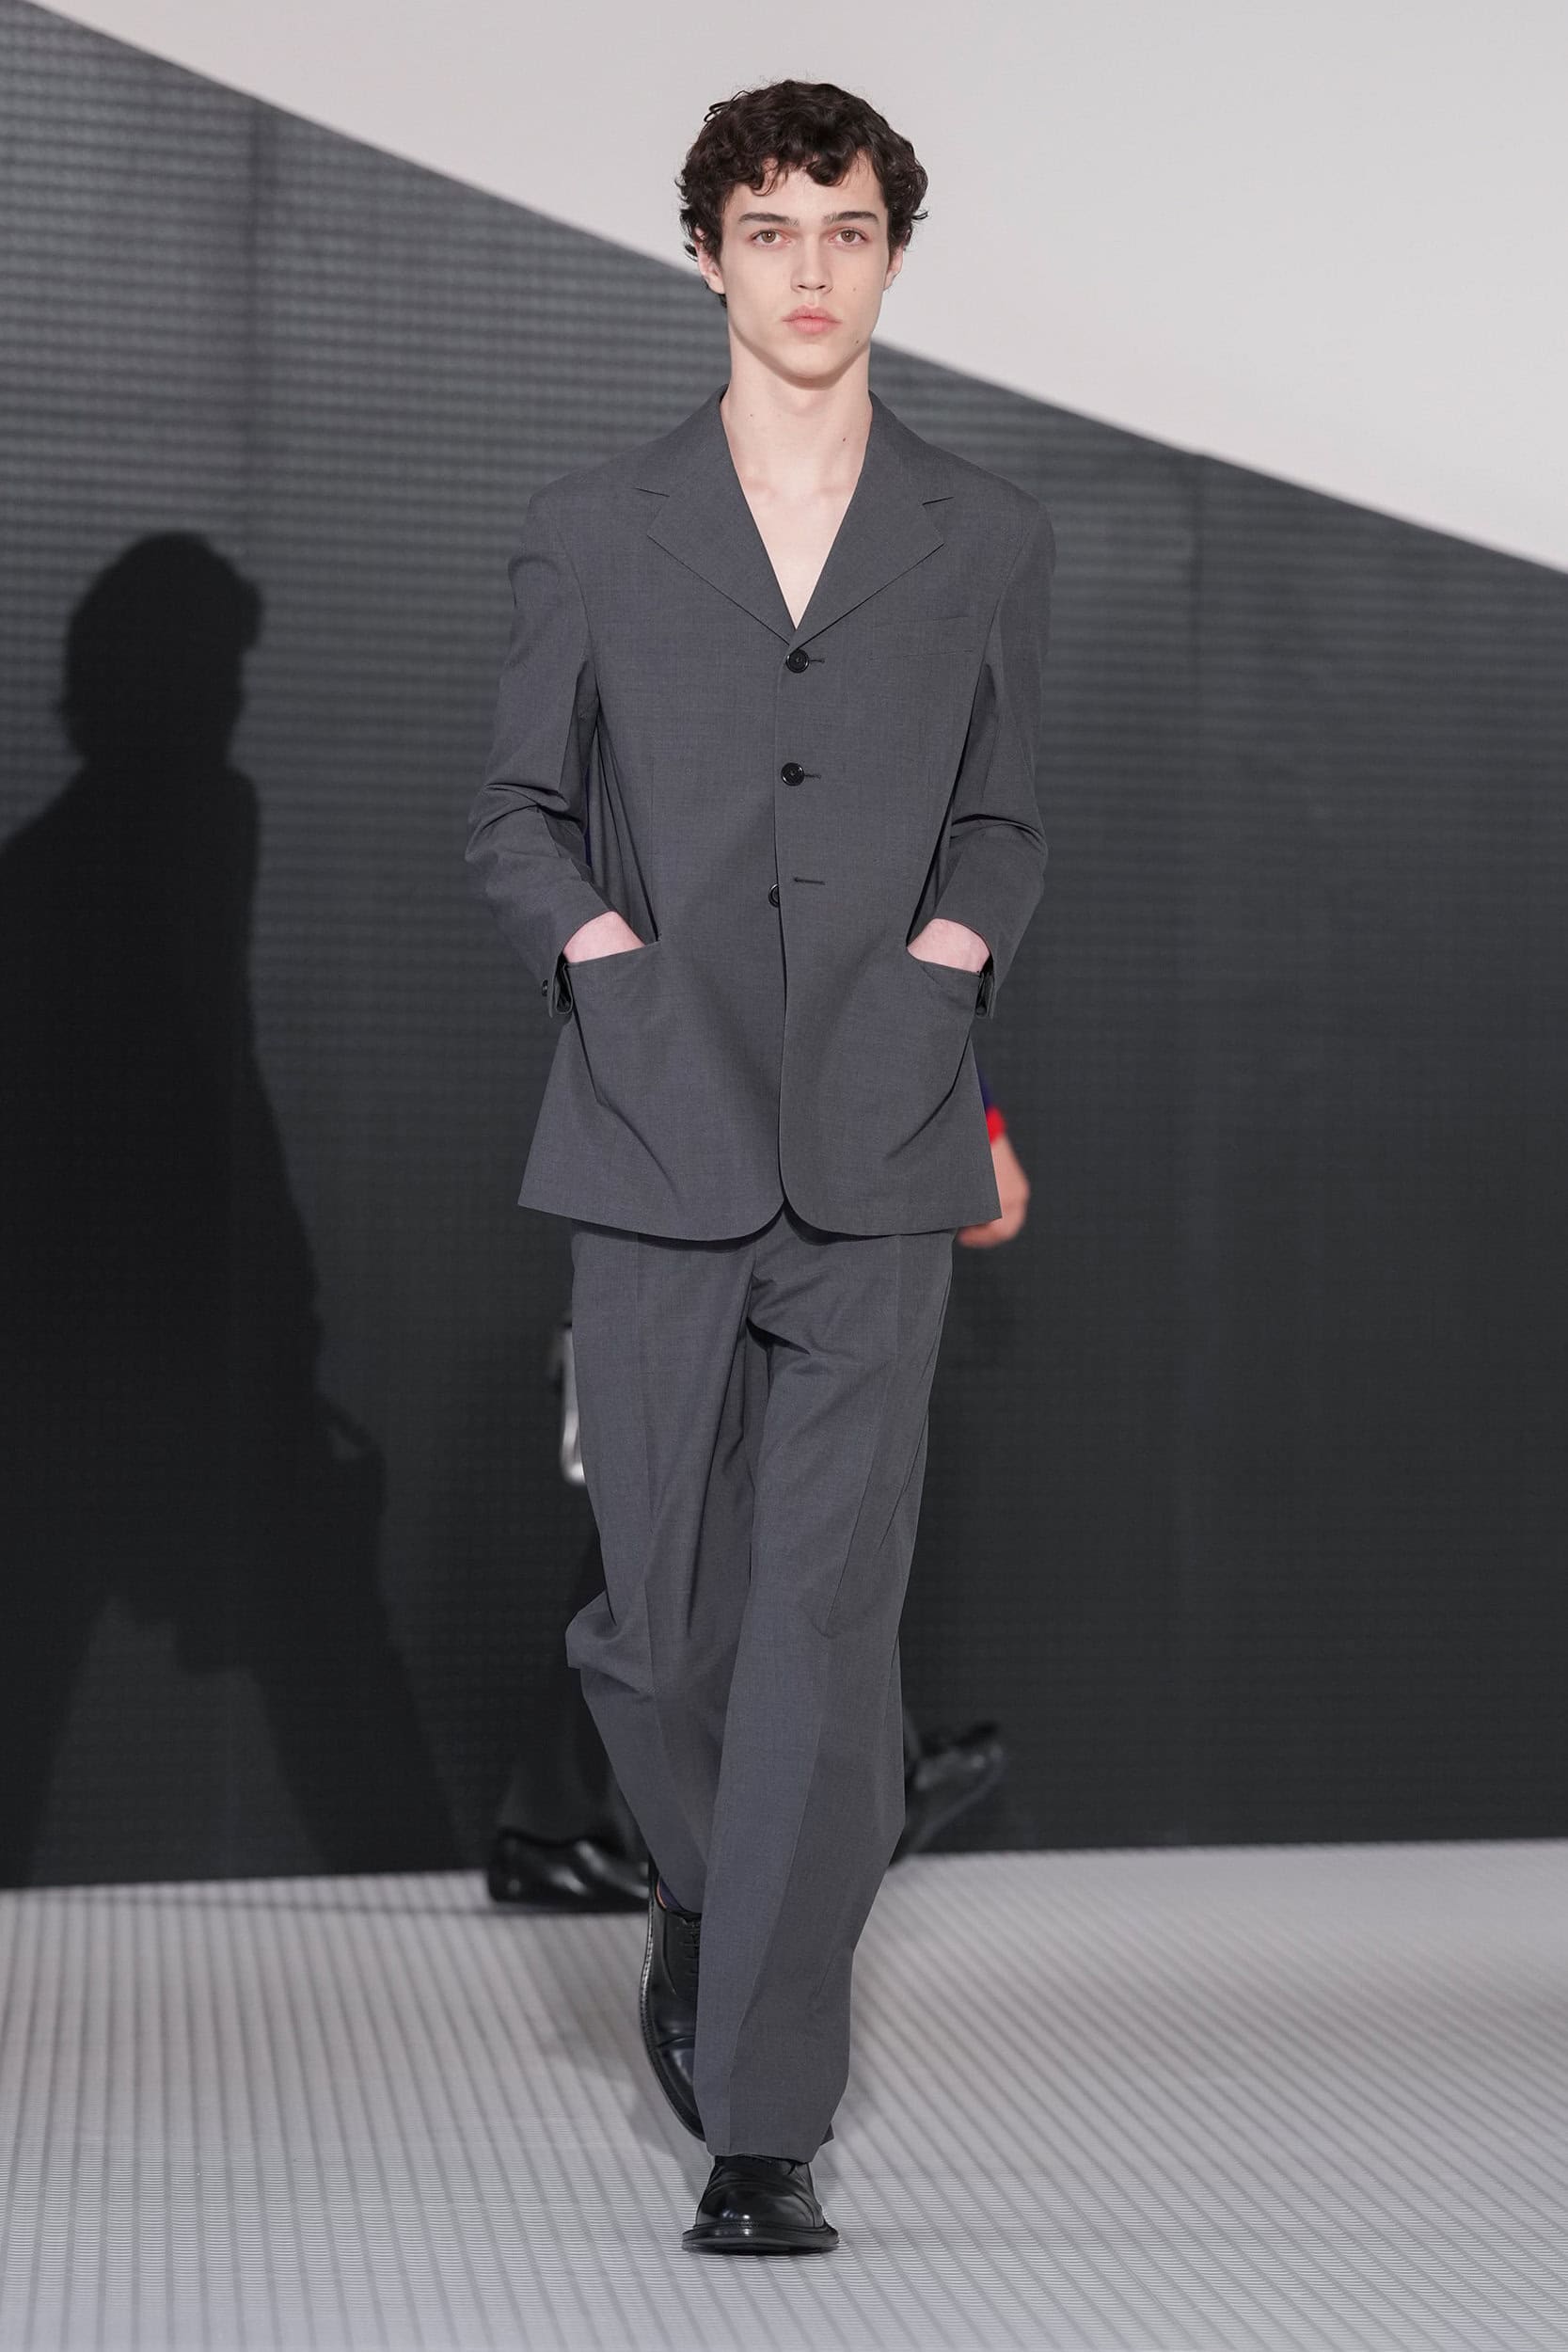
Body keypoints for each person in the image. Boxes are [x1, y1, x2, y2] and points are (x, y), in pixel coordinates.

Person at [466, 79, 1053, 2255]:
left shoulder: (981, 530)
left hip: (879, 1143)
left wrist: (941, 981)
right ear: (704, 252)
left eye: (848, 229)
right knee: (654, 1633)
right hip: (649, 1127)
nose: (810, 268)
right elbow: (511, 816)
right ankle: (730, 1891)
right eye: (771, 229)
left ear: (891, 253)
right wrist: (610, 965)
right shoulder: (594, 523)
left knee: (821, 1625)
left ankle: (763, 2125)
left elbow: (1001, 821)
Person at [487, 1070, 1027, 1913]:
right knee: (699, 1511)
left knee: (736, 1506)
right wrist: (975, 1114)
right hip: (728, 1137)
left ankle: (584, 1822)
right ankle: (589, 1826)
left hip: (719, 1132)